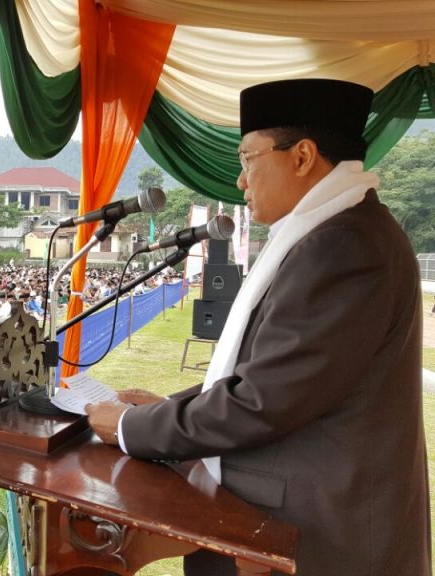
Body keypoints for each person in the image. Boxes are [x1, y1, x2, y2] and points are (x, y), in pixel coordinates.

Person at [84, 79, 430, 575]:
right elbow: (272, 376)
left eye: (248, 159)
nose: (241, 181)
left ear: (303, 156)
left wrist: (128, 426)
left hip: (318, 535)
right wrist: (172, 409)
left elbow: (262, 401)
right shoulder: (340, 230)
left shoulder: (344, 247)